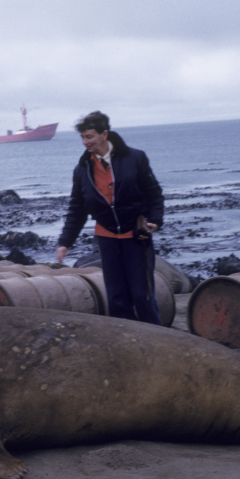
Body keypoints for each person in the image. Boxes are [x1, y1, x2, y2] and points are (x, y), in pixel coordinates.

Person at [56, 111, 164, 325]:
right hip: (106, 238)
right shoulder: (82, 170)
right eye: (83, 137)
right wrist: (65, 242)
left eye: (89, 136)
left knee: (142, 295)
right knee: (116, 298)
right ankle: (125, 345)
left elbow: (154, 193)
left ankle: (159, 342)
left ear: (104, 134)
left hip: (136, 236)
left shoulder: (135, 158)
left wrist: (155, 220)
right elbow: (77, 208)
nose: (85, 142)